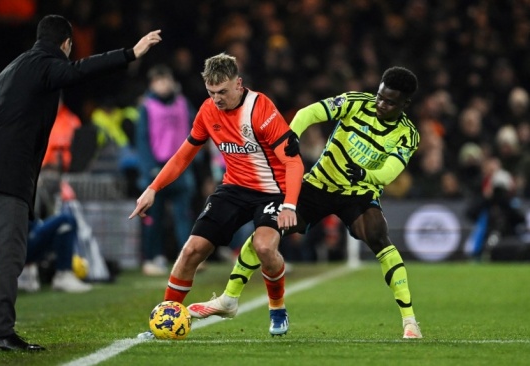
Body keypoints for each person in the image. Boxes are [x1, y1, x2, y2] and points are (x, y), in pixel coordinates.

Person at [0, 14, 161, 351]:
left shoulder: (11, 69)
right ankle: (0, 332)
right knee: (10, 256)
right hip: (7, 176)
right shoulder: (45, 63)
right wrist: (130, 53)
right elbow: (79, 71)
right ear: (66, 44)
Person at [188, 66, 424, 339]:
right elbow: (308, 113)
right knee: (268, 232)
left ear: (405, 104)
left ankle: (410, 321)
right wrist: (291, 137)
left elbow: (390, 171)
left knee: (379, 237)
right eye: (380, 96)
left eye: (390, 102)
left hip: (358, 192)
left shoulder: (408, 135)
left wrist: (367, 174)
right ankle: (228, 300)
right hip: (318, 185)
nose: (381, 104)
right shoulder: (356, 102)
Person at [130, 53, 304, 338]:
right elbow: (184, 154)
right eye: (211, 93)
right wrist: (153, 188)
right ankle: (166, 317)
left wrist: (289, 205)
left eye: (222, 92)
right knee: (191, 251)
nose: (217, 99)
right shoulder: (208, 110)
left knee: (263, 248)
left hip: (273, 191)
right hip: (234, 188)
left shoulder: (261, 109)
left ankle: (277, 307)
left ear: (239, 83)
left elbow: (294, 162)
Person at [135, 64, 197, 276]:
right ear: (152, 85)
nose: (163, 84)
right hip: (158, 168)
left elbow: (196, 130)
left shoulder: (182, 103)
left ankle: (187, 258)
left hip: (181, 167)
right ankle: (153, 257)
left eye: (165, 79)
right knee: (154, 216)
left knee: (184, 216)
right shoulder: (146, 107)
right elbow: (142, 139)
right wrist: (149, 168)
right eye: (158, 81)